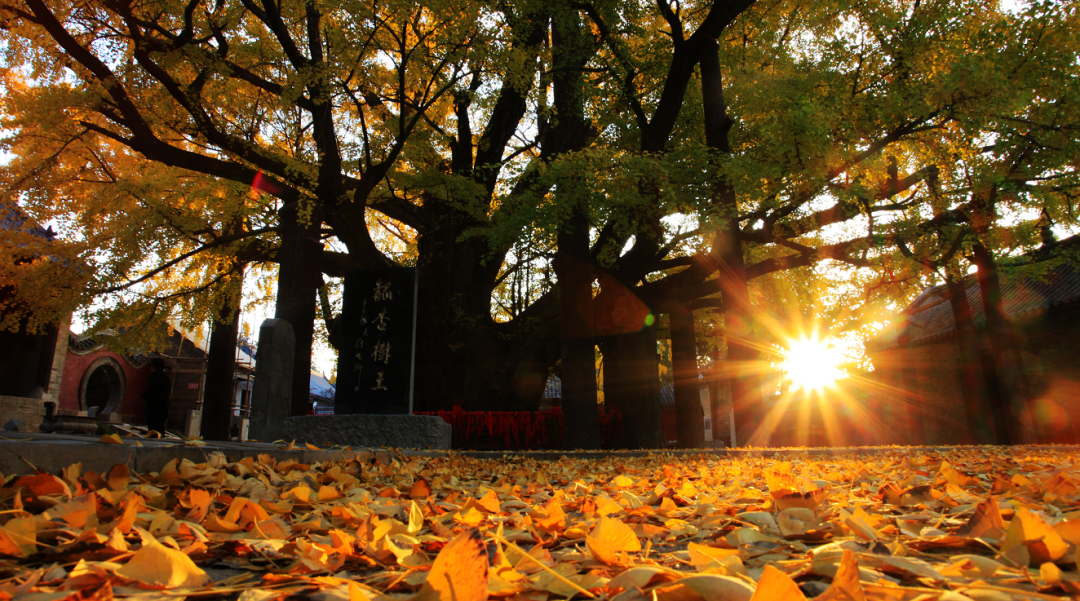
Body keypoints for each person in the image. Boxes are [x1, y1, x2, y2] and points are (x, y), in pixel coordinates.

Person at [142, 358, 172, 436]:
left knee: (154, 430)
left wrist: (144, 393)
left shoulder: (157, 376)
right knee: (159, 430)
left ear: (153, 367)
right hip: (163, 407)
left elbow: (152, 389)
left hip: (155, 408)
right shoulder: (166, 376)